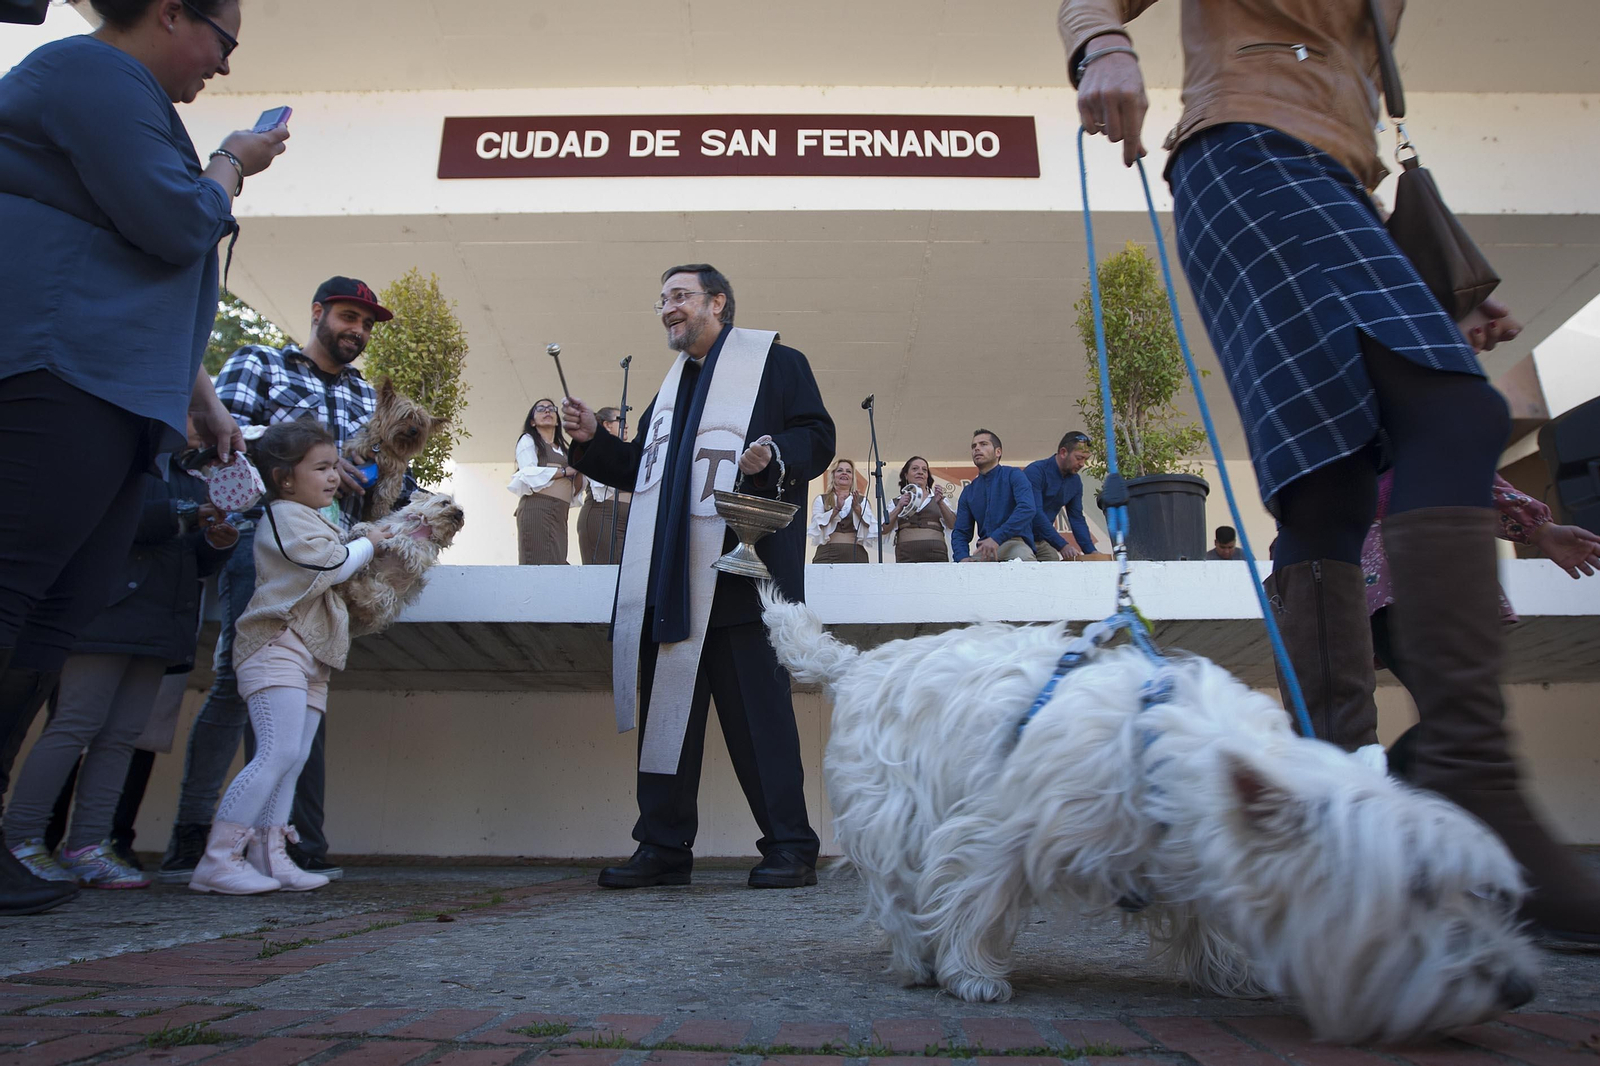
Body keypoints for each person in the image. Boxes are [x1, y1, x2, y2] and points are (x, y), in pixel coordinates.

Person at [1063, 0, 1600, 938]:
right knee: (1459, 411)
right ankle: (1469, 779)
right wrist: (1104, 42)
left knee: (1331, 487)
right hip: (1251, 150)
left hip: (1326, 179)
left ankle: (1332, 815)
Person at [0, 0, 287, 916]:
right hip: (57, 369)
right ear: (170, 13)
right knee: (15, 595)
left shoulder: (127, 97)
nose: (223, 67)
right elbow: (171, 222)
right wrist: (232, 163)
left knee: (51, 617)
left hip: (117, 390)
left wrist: (192, 389)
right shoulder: (90, 73)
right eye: (222, 41)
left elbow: (136, 245)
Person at [562, 263, 835, 890]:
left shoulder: (776, 362)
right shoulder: (672, 387)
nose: (667, 308)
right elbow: (642, 469)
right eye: (662, 299)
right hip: (673, 582)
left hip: (743, 573)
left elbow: (817, 437)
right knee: (667, 723)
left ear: (718, 302)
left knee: (760, 721)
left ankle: (791, 846)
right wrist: (592, 443)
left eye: (680, 296)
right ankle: (662, 848)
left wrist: (773, 457)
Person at [160, 276, 393, 887]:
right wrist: (307, 459)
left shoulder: (366, 395)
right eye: (349, 317)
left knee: (305, 695)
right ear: (317, 313)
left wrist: (369, 479)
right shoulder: (259, 360)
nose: (358, 331)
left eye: (367, 324)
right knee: (240, 688)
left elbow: (376, 472)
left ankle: (286, 847)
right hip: (255, 539)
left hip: (332, 547)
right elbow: (211, 440)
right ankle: (196, 838)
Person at [6, 468, 235, 888]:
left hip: (161, 626)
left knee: (121, 737)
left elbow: (190, 558)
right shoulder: (124, 461)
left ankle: (87, 848)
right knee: (74, 725)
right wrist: (183, 514)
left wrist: (215, 544)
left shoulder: (196, 478)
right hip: (104, 616)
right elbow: (110, 521)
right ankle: (19, 842)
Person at [189, 420, 391, 895]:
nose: (332, 477)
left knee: (294, 757)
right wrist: (371, 542)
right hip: (276, 646)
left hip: (314, 653)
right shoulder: (282, 516)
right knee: (276, 752)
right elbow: (331, 563)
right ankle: (217, 859)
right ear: (284, 478)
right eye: (321, 468)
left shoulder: (320, 517)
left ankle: (269, 854)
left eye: (333, 467)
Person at [509, 398, 583, 565]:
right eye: (540, 409)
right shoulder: (528, 440)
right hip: (538, 507)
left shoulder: (564, 450)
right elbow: (528, 472)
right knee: (539, 562)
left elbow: (576, 487)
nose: (547, 411)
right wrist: (564, 471)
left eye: (551, 408)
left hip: (560, 511)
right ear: (532, 422)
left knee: (557, 561)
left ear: (557, 420)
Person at [952, 430, 1037, 563]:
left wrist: (996, 538)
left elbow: (1027, 509)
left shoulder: (1014, 475)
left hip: (1014, 543)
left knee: (1025, 565)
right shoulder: (969, 491)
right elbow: (960, 532)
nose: (977, 448)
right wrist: (962, 557)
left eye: (983, 444)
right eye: (974, 446)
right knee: (966, 576)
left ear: (998, 452)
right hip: (984, 550)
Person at [1025, 431, 1099, 561]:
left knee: (1054, 563)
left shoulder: (1075, 482)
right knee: (1025, 562)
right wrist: (1062, 545)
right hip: (1019, 537)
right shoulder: (1036, 471)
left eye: (1085, 459)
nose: (1082, 464)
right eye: (1079, 458)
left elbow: (1076, 518)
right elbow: (1035, 512)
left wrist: (1091, 551)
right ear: (1063, 452)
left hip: (1041, 540)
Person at [578, 407, 631, 565]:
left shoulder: (628, 452)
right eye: (621, 420)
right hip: (604, 515)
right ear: (607, 425)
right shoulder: (594, 446)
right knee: (606, 568)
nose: (626, 425)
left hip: (629, 517)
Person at [885, 456, 955, 563]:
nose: (920, 472)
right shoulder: (896, 502)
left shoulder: (939, 499)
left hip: (937, 556)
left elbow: (953, 524)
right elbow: (884, 529)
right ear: (906, 475)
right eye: (915, 469)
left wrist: (940, 503)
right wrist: (899, 507)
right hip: (906, 556)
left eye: (924, 470)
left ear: (927, 476)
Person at [808, 459, 877, 563]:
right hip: (827, 553)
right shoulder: (822, 499)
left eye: (848, 471)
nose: (844, 473)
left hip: (855, 554)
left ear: (852, 477)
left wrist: (857, 509)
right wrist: (836, 510)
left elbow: (871, 526)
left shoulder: (862, 501)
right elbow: (816, 525)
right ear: (833, 475)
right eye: (839, 470)